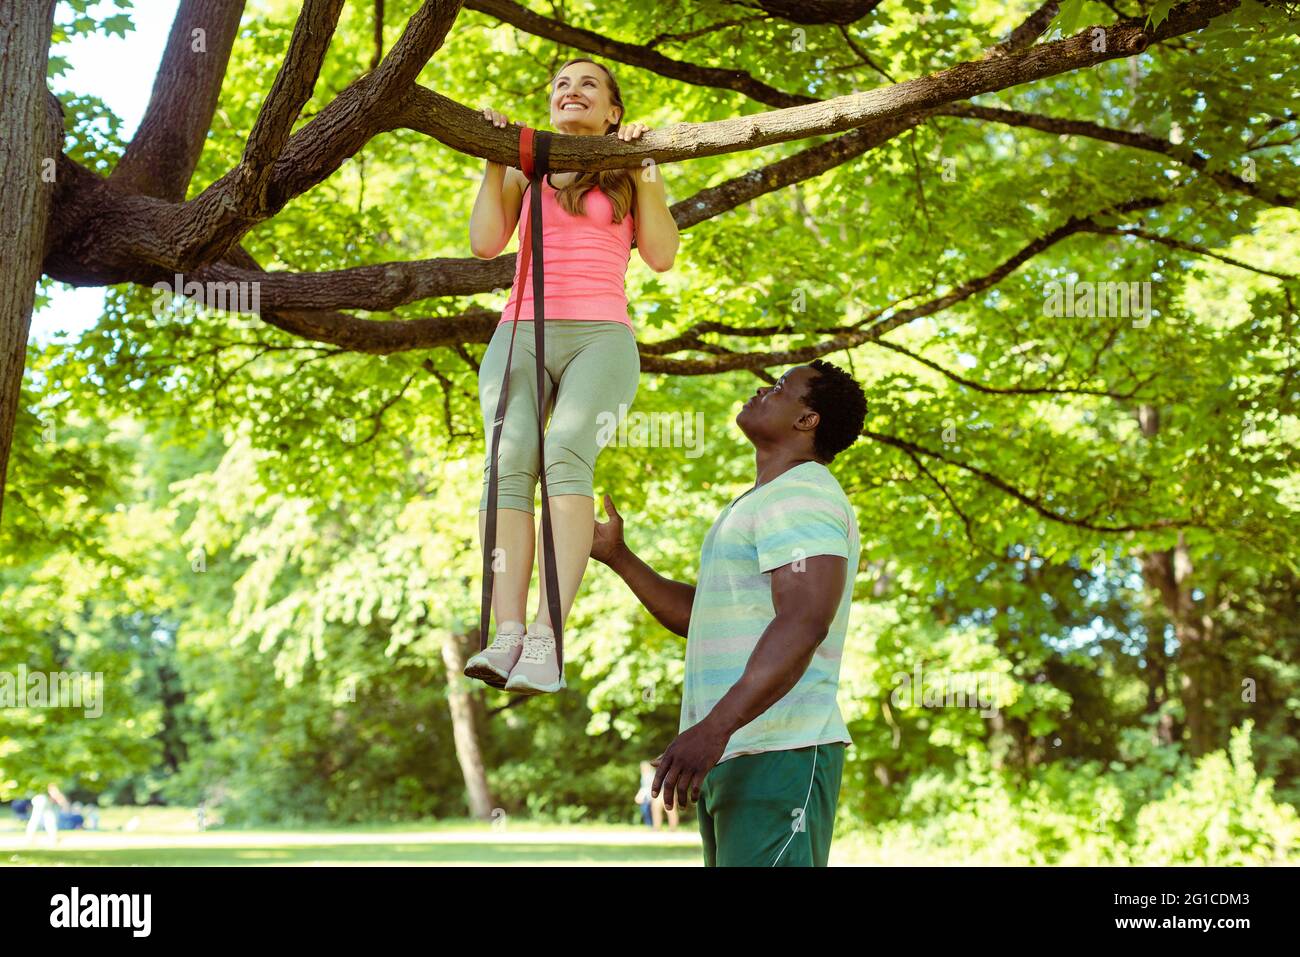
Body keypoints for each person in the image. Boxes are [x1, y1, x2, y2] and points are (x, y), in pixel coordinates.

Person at [592, 361, 867, 866]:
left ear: (808, 420)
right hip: (734, 749)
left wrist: (714, 728)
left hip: (778, 748)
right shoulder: (760, 502)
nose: (764, 388)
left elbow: (804, 621)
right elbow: (703, 617)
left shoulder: (804, 494)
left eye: (782, 387)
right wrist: (619, 557)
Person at [464, 57, 679, 696]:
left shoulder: (630, 172)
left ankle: (546, 638)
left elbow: (663, 256)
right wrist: (494, 158)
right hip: (520, 331)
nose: (570, 91)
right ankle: (505, 635)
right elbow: (484, 243)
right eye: (561, 83)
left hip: (601, 337)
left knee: (564, 451)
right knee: (507, 460)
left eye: (589, 84)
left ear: (613, 111)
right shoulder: (528, 171)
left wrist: (645, 171)